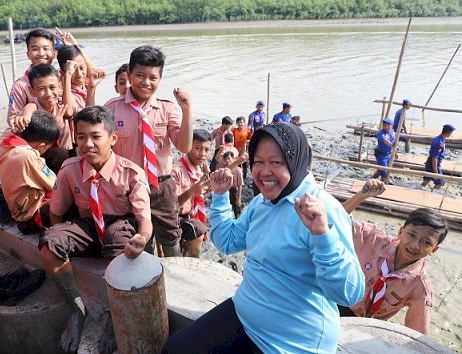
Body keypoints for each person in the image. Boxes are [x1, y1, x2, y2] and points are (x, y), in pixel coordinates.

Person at [162, 122, 365, 353]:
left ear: (296, 161)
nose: (264, 171)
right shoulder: (262, 202)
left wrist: (322, 236)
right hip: (243, 314)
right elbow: (228, 242)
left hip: (292, 341)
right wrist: (220, 197)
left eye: (276, 162)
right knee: (175, 349)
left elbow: (350, 294)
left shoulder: (323, 209)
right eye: (258, 162)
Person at [39, 106, 152, 354]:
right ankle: (76, 308)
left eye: (95, 136)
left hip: (121, 226)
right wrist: (63, 240)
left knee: (117, 239)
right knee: (49, 244)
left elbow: (145, 222)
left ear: (112, 138)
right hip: (89, 223)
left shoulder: (132, 173)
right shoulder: (70, 169)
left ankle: (116, 316)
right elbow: (56, 211)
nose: (87, 143)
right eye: (81, 137)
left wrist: (141, 239)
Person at [104, 45, 193, 257]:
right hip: (128, 186)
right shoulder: (113, 108)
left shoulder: (167, 108)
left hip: (161, 186)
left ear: (160, 79)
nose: (146, 82)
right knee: (140, 239)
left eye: (153, 77)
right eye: (140, 75)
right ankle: (149, 277)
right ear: (128, 75)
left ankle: (175, 277)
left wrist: (187, 109)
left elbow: (184, 146)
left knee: (171, 236)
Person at [340, 178, 447, 335]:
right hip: (337, 303)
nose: (415, 245)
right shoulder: (372, 240)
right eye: (411, 235)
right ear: (400, 232)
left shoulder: (419, 287)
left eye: (426, 242)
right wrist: (361, 196)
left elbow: (417, 334)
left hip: (369, 327)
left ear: (434, 249)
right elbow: (336, 219)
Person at [0, 110, 60, 234]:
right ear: (42, 145)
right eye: (46, 147)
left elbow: (31, 105)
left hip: (13, 202)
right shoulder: (28, 156)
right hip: (27, 215)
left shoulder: (5, 139)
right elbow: (54, 184)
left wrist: (25, 114)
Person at [9, 64, 72, 172]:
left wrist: (68, 75)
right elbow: (28, 112)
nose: (48, 94)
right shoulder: (33, 108)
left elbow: (70, 112)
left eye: (52, 87)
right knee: (60, 154)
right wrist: (55, 126)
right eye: (42, 89)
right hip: (40, 159)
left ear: (60, 87)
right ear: (32, 91)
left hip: (65, 154)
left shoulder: (61, 108)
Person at [171, 129, 211, 257]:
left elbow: (198, 196)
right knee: (199, 229)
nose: (202, 154)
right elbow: (172, 206)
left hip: (191, 214)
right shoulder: (177, 171)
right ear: (188, 147)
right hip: (176, 218)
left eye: (206, 150)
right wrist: (191, 192)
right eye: (198, 148)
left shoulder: (198, 168)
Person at [7, 28, 57, 124]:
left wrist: (74, 45)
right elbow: (13, 120)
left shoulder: (63, 77)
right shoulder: (20, 85)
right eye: (35, 49)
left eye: (46, 49)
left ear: (54, 53)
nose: (41, 54)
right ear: (28, 54)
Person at [57, 44, 106, 117]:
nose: (79, 74)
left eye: (82, 68)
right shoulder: (61, 92)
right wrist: (68, 74)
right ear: (62, 72)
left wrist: (76, 45)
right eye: (73, 70)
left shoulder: (85, 86)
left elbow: (96, 72)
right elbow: (68, 112)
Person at [422, 124, 456, 190]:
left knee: (427, 179)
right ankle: (433, 195)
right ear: (449, 132)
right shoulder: (439, 143)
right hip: (434, 164)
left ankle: (419, 190)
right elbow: (434, 158)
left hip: (429, 162)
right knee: (439, 183)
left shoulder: (438, 138)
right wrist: (435, 172)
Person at [222, 151, 244, 219]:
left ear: (233, 159)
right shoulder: (225, 170)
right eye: (225, 159)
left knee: (236, 209)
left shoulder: (238, 170)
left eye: (229, 158)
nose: (227, 161)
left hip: (235, 191)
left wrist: (239, 198)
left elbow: (240, 185)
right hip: (226, 191)